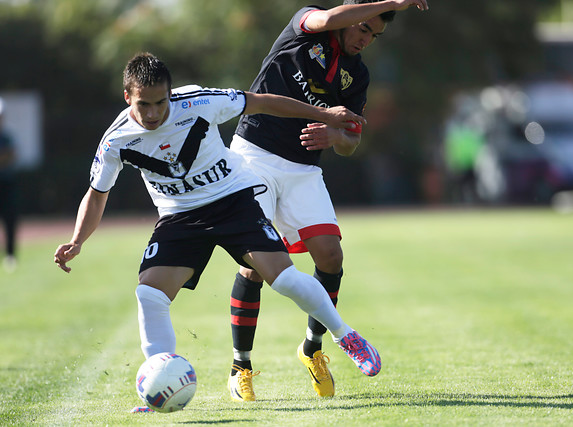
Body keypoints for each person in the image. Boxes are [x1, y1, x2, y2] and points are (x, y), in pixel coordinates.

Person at [53, 52, 381, 410]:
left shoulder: (198, 101)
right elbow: (97, 195)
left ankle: (344, 335)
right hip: (179, 217)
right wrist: (77, 241)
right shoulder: (116, 140)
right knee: (149, 295)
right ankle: (158, 384)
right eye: (144, 104)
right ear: (128, 97)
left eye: (160, 102)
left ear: (170, 93)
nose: (153, 113)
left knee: (282, 278)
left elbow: (260, 102)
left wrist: (323, 114)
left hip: (232, 201)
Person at [227, 0, 428, 400]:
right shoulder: (308, 25)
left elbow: (351, 141)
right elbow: (329, 19)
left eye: (373, 34)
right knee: (257, 265)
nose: (363, 38)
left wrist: (336, 136)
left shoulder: (358, 75)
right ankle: (240, 366)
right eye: (362, 27)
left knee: (331, 257)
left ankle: (312, 349)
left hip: (302, 170)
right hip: (254, 156)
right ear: (350, 14)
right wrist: (395, 3)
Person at [0, 97, 18, 273]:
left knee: (10, 219)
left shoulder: (6, 136)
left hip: (6, 183)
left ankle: (10, 255)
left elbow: (11, 156)